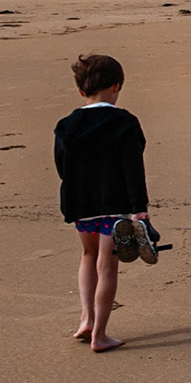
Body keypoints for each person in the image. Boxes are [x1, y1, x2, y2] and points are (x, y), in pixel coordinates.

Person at [55, 54, 152, 353]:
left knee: (88, 255)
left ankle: (86, 319)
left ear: (81, 91)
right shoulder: (124, 123)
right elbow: (132, 167)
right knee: (107, 267)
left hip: (81, 205)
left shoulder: (66, 125)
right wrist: (139, 208)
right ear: (117, 86)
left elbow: (62, 167)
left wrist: (72, 200)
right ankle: (100, 334)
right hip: (116, 206)